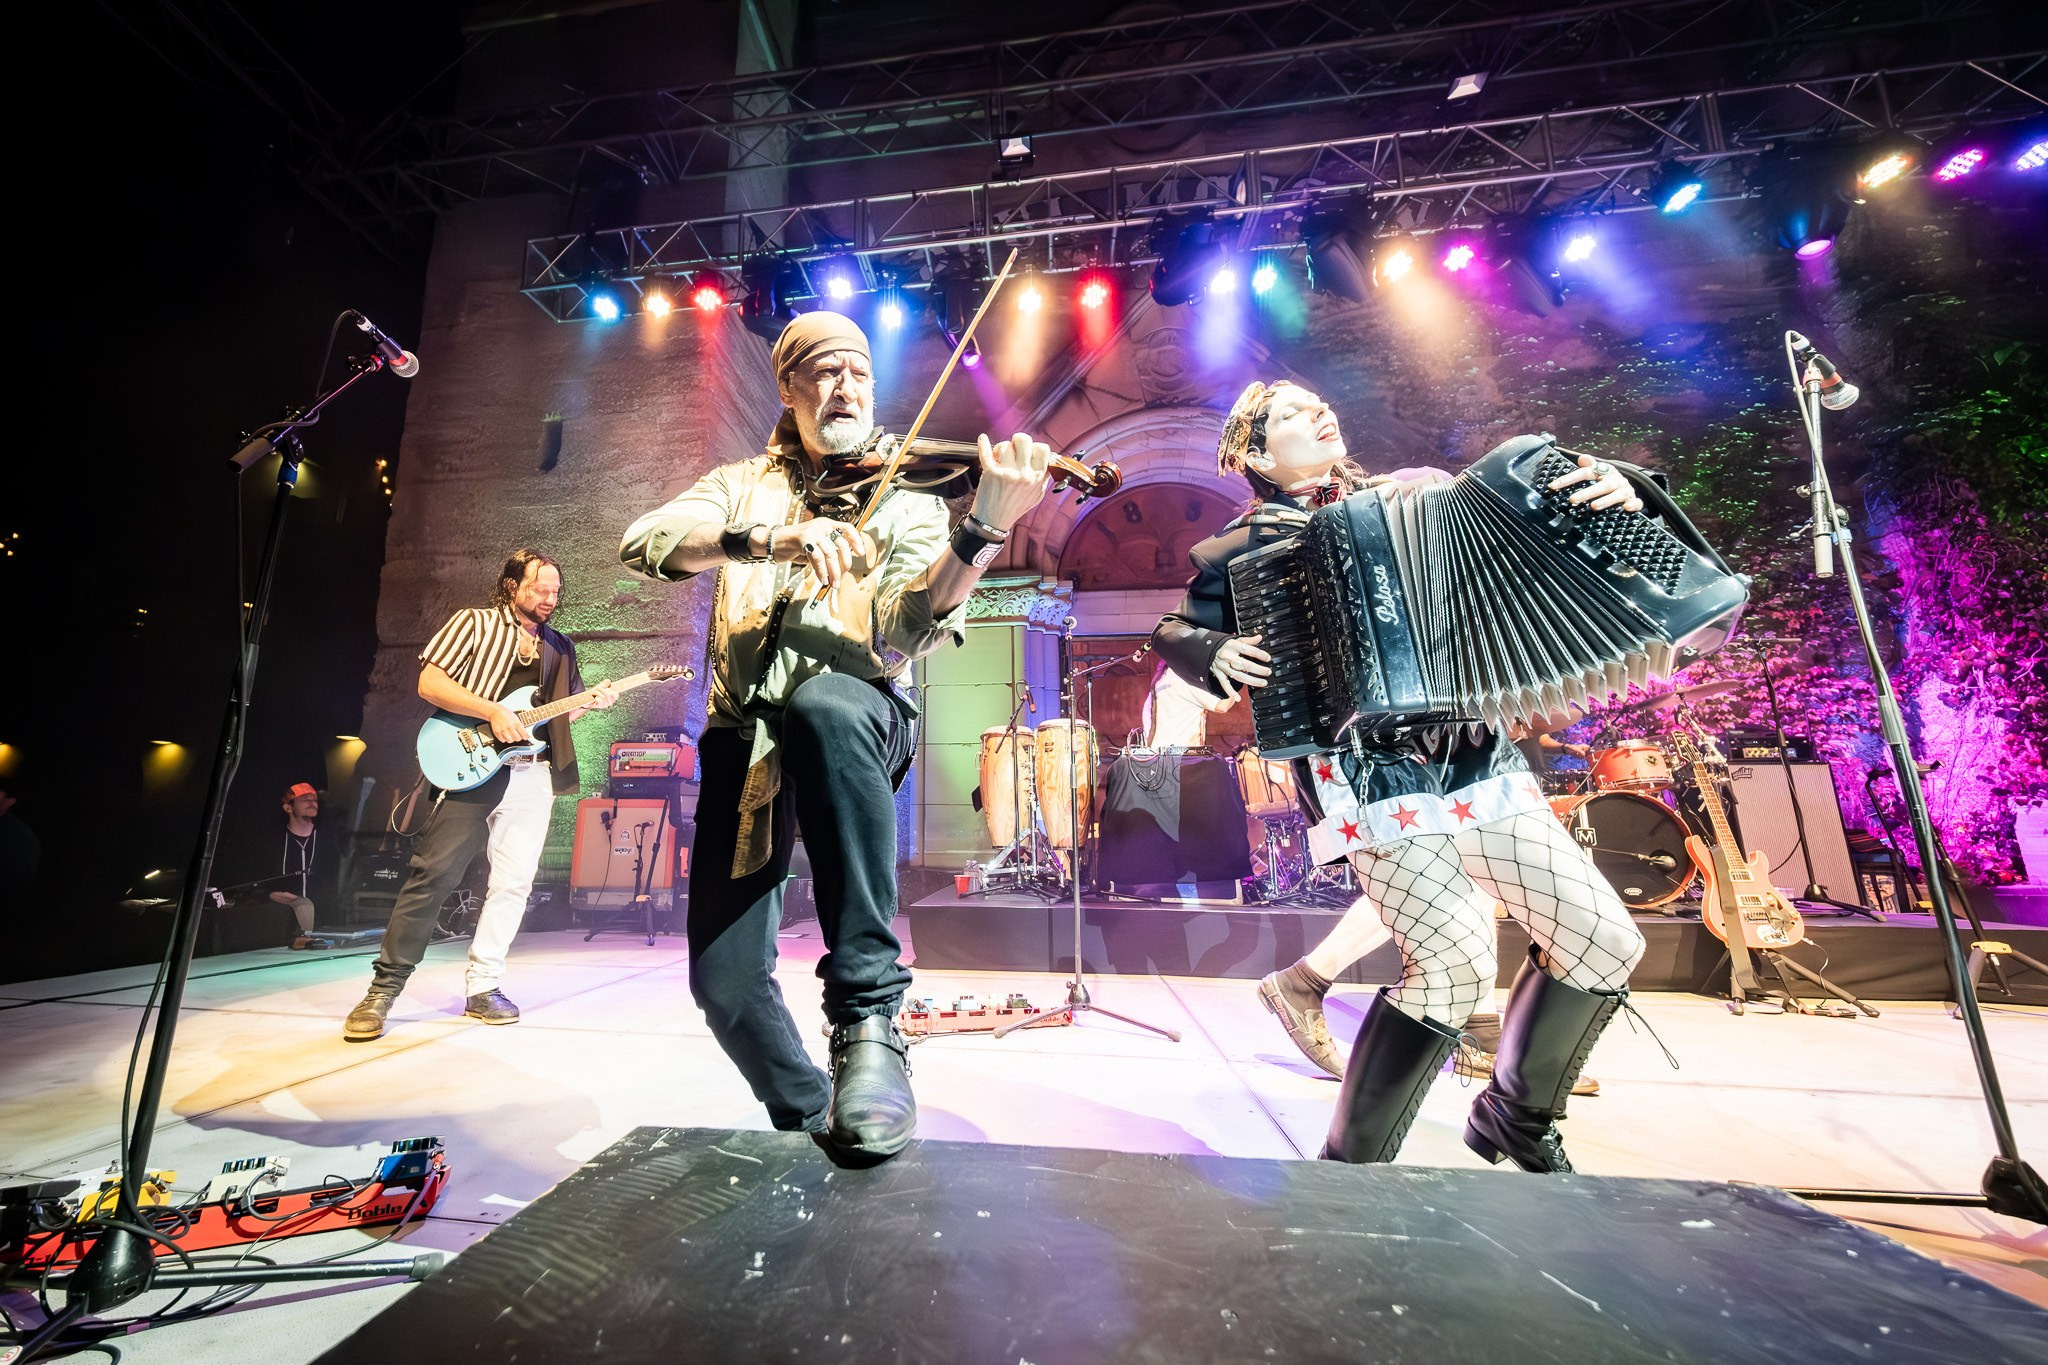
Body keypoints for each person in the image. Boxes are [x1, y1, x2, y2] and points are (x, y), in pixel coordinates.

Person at [1152, 380, 1657, 1172]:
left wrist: (1620, 488)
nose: (1320, 410)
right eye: (1290, 413)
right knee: (1454, 955)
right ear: (1253, 453)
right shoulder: (1242, 548)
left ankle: (1517, 1118)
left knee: (1603, 937)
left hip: (1470, 748)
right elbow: (1174, 629)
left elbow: (1541, 521)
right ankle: (1351, 1170)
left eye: (1321, 401)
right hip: (1364, 768)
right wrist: (1207, 650)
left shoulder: (1422, 498)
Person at [620, 311, 1052, 1164]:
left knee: (825, 702)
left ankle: (868, 1016)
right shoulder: (743, 483)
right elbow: (645, 542)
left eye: (858, 370)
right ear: (789, 389)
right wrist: (772, 537)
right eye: (823, 371)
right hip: (746, 746)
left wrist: (983, 527)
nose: (846, 386)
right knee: (726, 985)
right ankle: (817, 1113)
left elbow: (905, 632)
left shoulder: (910, 494)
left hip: (860, 716)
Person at [342, 550, 617, 1040]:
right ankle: (383, 990)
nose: (550, 600)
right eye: (540, 589)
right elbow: (430, 682)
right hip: (474, 767)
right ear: (512, 586)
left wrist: (590, 703)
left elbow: (553, 719)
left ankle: (484, 986)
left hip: (532, 774)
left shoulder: (561, 647)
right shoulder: (473, 623)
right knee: (434, 874)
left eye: (556, 592)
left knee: (513, 884)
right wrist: (491, 711)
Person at [270, 782, 328, 946]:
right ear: (288, 807)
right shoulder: (276, 840)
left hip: (321, 909)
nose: (312, 803)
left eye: (314, 799)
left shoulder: (325, 838)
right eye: (304, 799)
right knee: (303, 904)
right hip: (283, 907)